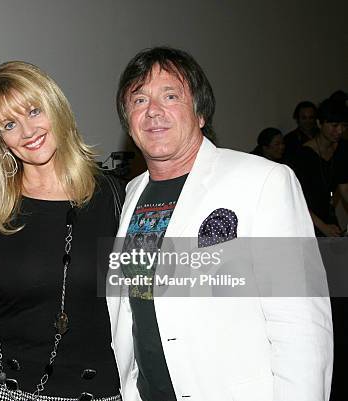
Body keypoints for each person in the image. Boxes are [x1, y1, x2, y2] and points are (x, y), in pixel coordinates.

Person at [108, 46, 333, 401]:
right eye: (139, 100)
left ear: (199, 112)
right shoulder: (133, 192)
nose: (153, 111)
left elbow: (301, 326)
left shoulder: (263, 181)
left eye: (170, 95)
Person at [0, 61, 124, 401]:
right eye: (10, 124)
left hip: (101, 392)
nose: (28, 131)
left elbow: (154, 296)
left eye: (34, 111)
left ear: (55, 107)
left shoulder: (113, 196)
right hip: (13, 393)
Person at [293, 98, 348, 237]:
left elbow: (344, 187)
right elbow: (297, 199)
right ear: (319, 123)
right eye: (334, 125)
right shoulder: (303, 155)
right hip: (306, 218)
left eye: (344, 125)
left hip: (328, 216)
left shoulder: (342, 148)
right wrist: (322, 226)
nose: (340, 130)